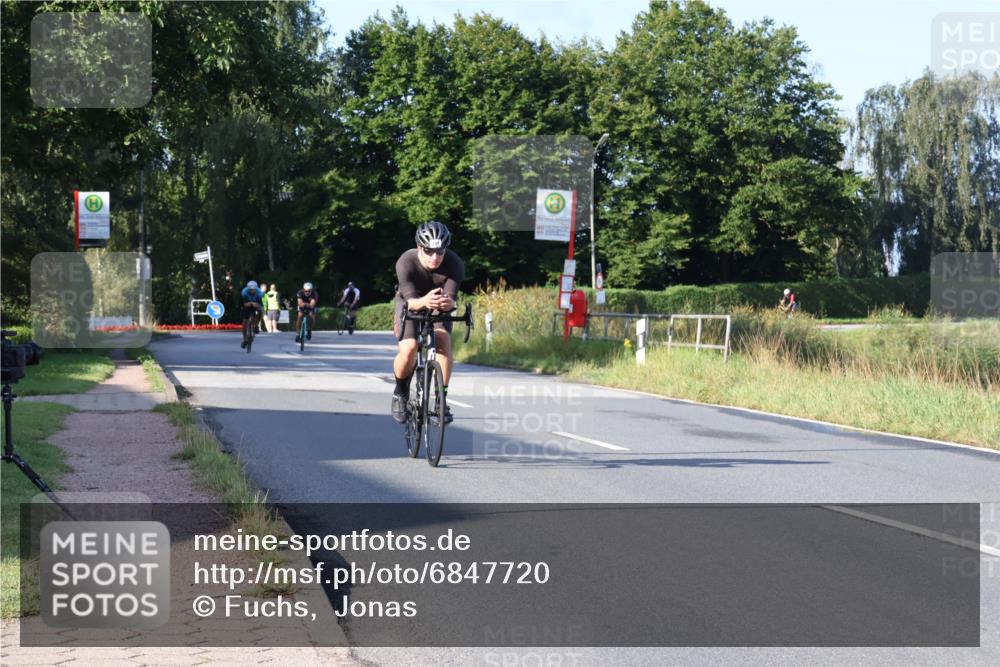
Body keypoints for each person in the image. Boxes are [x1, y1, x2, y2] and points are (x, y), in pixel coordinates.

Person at [391, 221, 464, 425]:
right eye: (429, 251)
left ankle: (441, 400)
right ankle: (400, 392)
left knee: (443, 339)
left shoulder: (454, 263)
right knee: (409, 348)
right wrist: (424, 301)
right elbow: (411, 302)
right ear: (419, 247)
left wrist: (450, 303)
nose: (435, 257)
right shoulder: (406, 262)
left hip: (437, 303)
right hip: (410, 302)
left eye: (439, 252)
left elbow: (450, 298)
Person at [239, 280, 264, 348]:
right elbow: (243, 303)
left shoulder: (260, 293)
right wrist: (247, 304)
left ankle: (256, 325)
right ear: (248, 289)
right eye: (250, 290)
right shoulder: (244, 292)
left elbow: (260, 304)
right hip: (247, 304)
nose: (252, 291)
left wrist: (257, 305)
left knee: (261, 312)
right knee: (244, 323)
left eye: (253, 290)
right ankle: (245, 340)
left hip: (256, 303)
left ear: (256, 289)